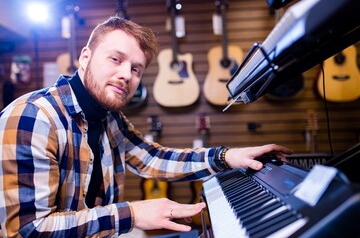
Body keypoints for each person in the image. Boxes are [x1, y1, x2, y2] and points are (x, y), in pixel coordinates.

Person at [0, 16, 292, 237]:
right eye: (116, 59)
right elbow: (27, 230)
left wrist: (228, 157)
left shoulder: (108, 116)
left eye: (136, 69)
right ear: (85, 57)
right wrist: (133, 213)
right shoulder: (33, 117)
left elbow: (153, 158)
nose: (126, 74)